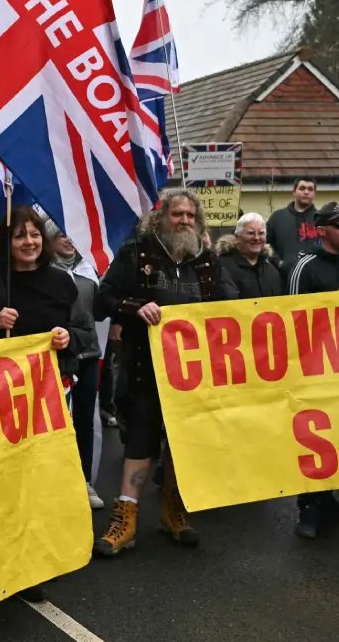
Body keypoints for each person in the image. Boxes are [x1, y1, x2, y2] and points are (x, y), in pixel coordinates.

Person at [94, 191, 236, 556]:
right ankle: (125, 517)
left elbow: (232, 307)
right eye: (177, 214)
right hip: (145, 370)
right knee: (140, 443)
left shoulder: (207, 261)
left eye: (190, 215)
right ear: (161, 219)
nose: (185, 220)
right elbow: (103, 299)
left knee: (182, 446)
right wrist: (136, 307)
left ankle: (173, 510)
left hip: (192, 376)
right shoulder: (137, 252)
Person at [0, 210, 92, 485]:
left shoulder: (61, 281)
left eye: (35, 234)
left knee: (50, 458)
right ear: (7, 242)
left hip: (53, 389)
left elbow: (86, 332)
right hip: (3, 393)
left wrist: (68, 337)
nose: (29, 242)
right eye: (20, 236)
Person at [285, 201, 339, 538]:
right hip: (314, 369)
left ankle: (329, 498)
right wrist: (331, 302)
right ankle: (309, 505)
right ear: (321, 231)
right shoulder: (303, 267)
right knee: (314, 436)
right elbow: (289, 317)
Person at [51, 224, 105, 508]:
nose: (69, 240)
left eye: (73, 234)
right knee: (58, 422)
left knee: (85, 420)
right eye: (61, 234)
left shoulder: (90, 269)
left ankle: (85, 480)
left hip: (88, 354)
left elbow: (101, 308)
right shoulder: (44, 272)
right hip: (58, 357)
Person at [214, 212, 283, 298]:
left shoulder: (272, 269)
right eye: (250, 233)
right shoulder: (221, 267)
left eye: (261, 233)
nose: (256, 238)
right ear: (237, 237)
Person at [265, 177, 318, 266]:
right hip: (283, 275)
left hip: (314, 275)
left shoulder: (321, 219)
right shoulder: (277, 217)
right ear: (293, 192)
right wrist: (278, 262)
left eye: (310, 189)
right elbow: (266, 245)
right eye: (302, 188)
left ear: (314, 194)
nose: (306, 192)